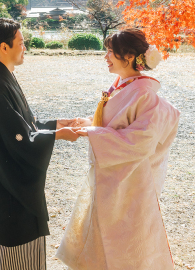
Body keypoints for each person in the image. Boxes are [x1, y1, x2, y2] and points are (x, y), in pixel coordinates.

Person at [56, 27, 180, 270]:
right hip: (111, 177)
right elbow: (114, 126)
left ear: (130, 56)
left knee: (125, 243)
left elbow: (139, 143)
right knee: (103, 237)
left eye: (111, 52)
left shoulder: (143, 93)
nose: (106, 57)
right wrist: (89, 124)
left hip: (130, 181)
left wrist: (92, 132)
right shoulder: (125, 85)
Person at [0, 18, 85, 270]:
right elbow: (20, 141)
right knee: (12, 252)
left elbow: (25, 125)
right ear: (4, 47)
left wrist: (58, 124)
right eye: (21, 43)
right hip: (7, 187)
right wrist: (60, 134)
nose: (25, 47)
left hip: (1, 183)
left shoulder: (2, 77)